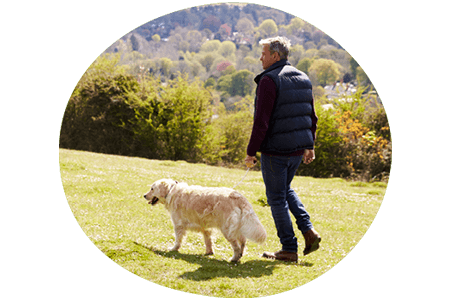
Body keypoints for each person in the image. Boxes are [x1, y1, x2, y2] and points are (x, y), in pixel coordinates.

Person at [245, 36, 321, 263]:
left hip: (276, 151)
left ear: (275, 56)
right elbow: (311, 116)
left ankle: (289, 248)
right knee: (285, 190)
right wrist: (309, 145)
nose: (261, 58)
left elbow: (261, 122)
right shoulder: (303, 77)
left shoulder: (269, 80)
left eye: (264, 54)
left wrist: (251, 152)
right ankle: (309, 232)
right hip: (297, 150)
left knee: (276, 198)